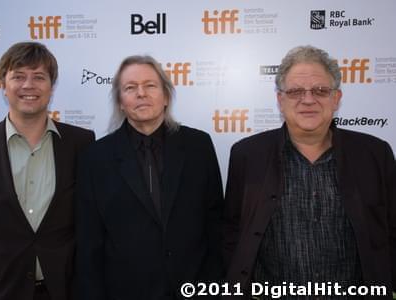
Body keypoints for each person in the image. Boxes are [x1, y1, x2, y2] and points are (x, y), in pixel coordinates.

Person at [223, 45, 396, 299]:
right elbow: (231, 233)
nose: (308, 100)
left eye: (320, 90)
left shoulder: (374, 154)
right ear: (280, 100)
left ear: (336, 98)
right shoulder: (247, 155)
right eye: (295, 91)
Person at [0, 41, 95, 300]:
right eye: (18, 77)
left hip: (66, 291)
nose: (29, 85)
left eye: (39, 77)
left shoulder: (81, 143)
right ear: (3, 85)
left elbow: (92, 226)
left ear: (52, 86)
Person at [74, 55, 224, 300]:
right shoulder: (94, 158)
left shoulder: (199, 146)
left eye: (150, 85)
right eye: (130, 88)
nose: (141, 93)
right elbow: (89, 243)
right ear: (120, 102)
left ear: (165, 96)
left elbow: (215, 224)